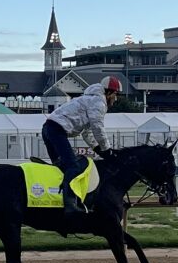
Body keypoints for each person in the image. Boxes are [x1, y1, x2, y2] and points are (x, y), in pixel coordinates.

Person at [41, 77, 122, 223]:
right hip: (56, 130)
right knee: (73, 166)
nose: (115, 99)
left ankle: (55, 200)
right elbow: (98, 128)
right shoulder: (99, 103)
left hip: (49, 128)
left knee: (61, 167)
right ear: (109, 92)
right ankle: (70, 205)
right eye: (115, 95)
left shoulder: (89, 99)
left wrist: (98, 149)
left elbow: (87, 132)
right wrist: (107, 149)